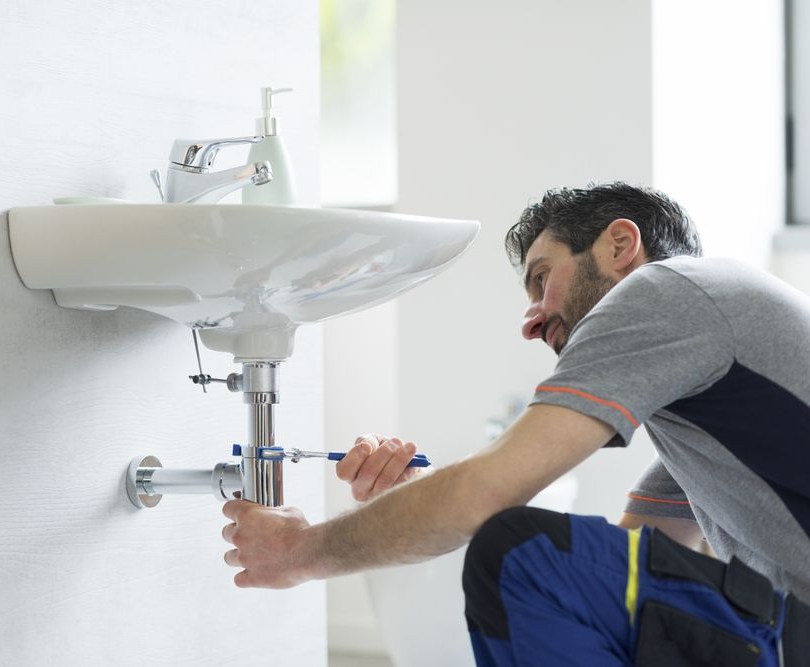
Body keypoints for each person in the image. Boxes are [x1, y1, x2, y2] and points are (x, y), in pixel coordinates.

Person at [220, 182, 810, 665]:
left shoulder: (666, 290)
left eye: (541, 278)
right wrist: (411, 500)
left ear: (620, 244)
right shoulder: (704, 431)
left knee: (522, 552)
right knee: (537, 561)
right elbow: (618, 575)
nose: (531, 322)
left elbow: (493, 502)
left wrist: (298, 551)